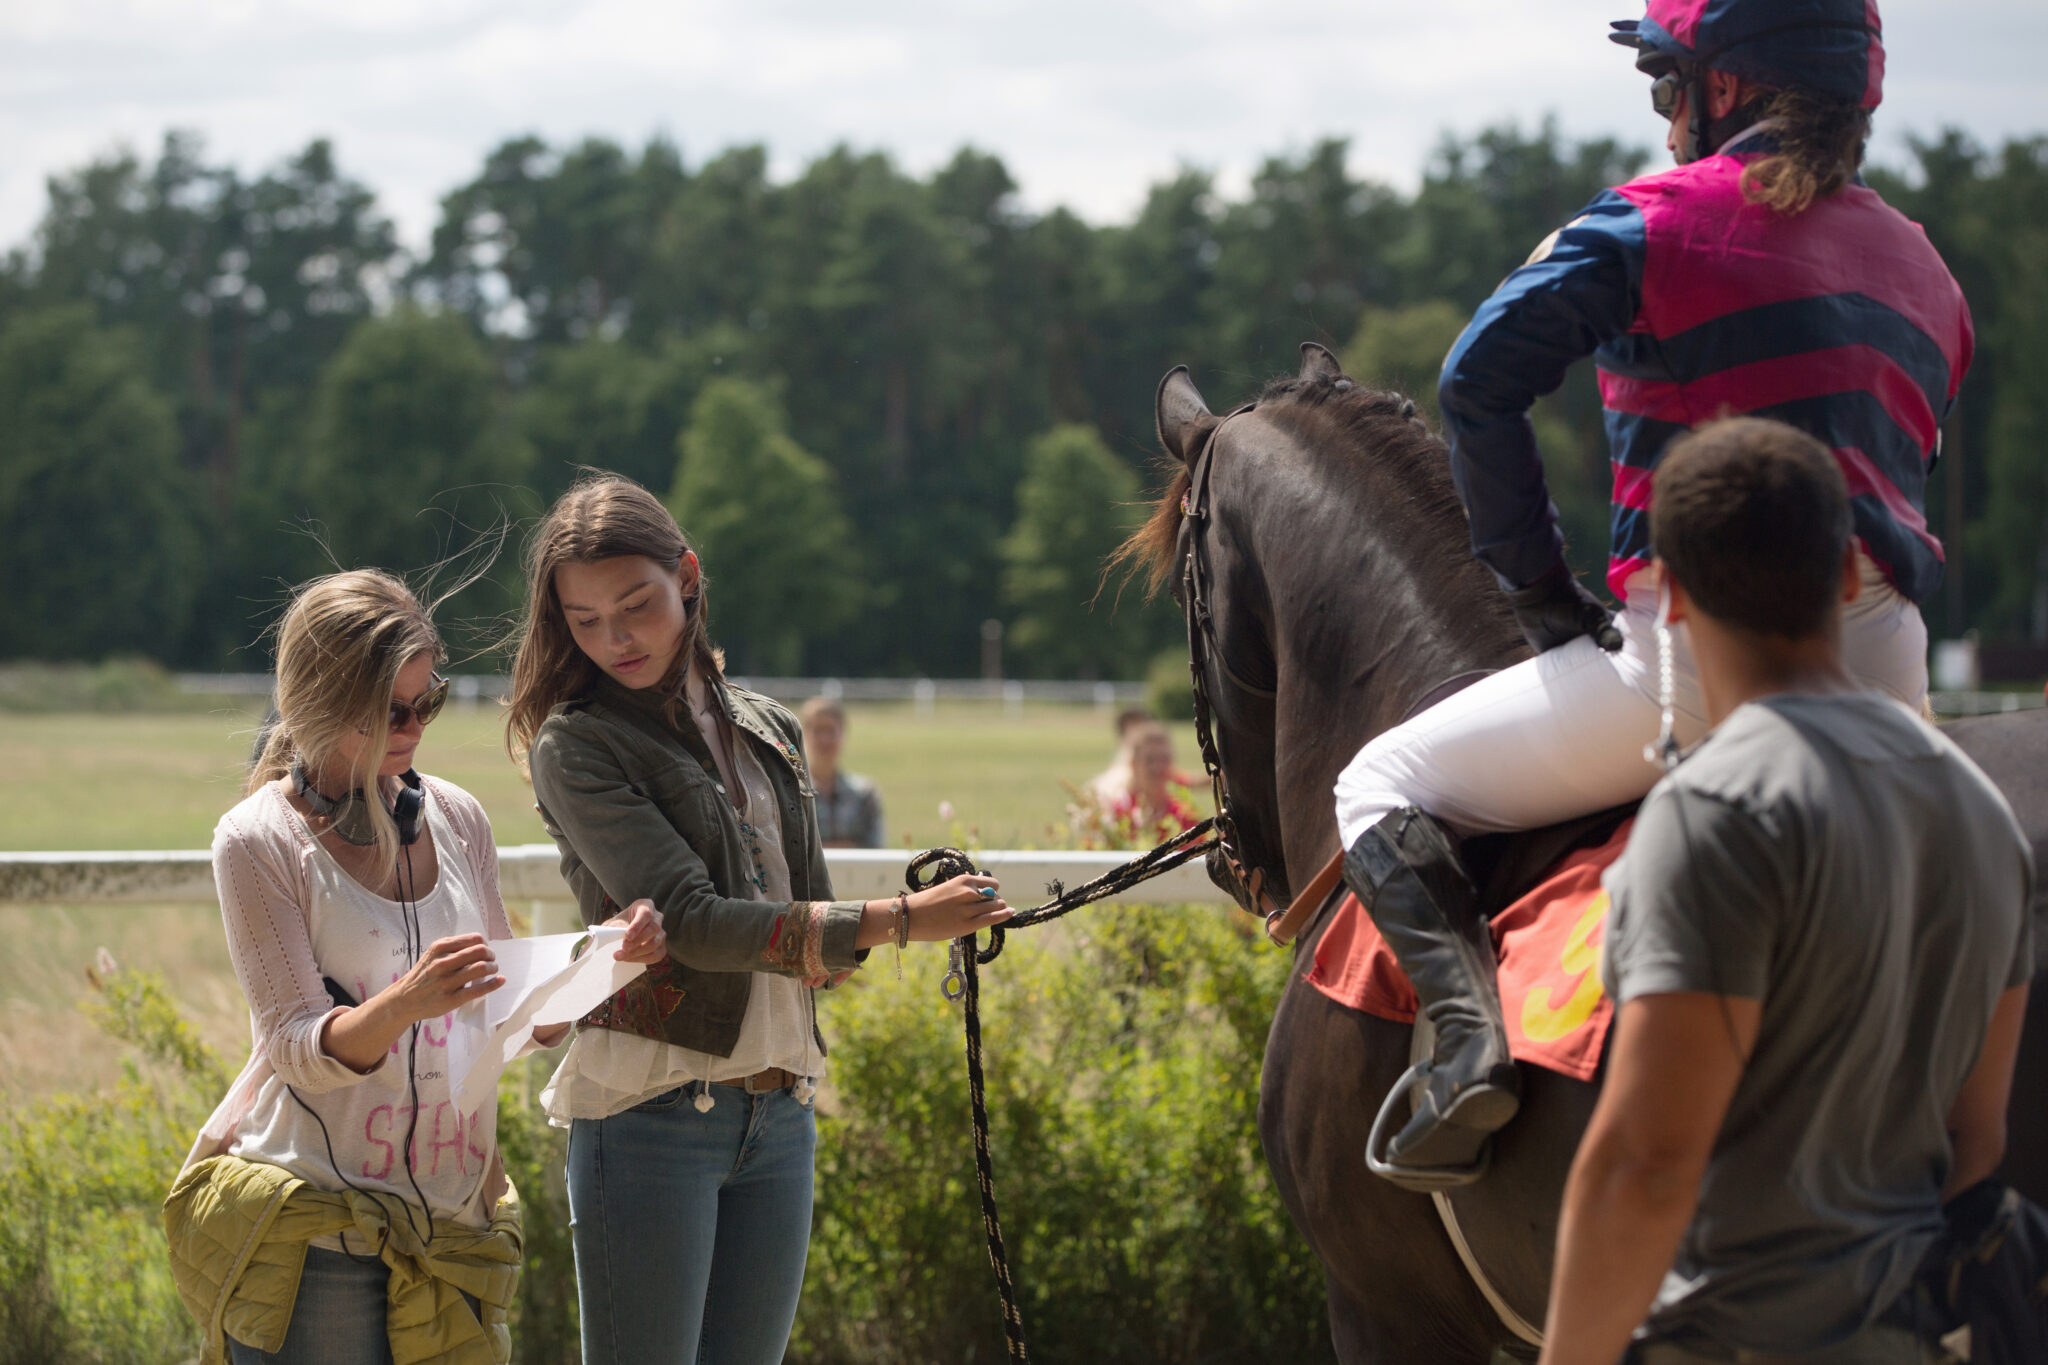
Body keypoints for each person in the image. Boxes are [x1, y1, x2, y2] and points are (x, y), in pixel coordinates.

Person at [1330, 0, 1974, 1180]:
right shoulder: (1924, 263)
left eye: (1663, 83)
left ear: (1722, 91)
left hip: (1693, 670)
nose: (1663, 114)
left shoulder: (1647, 220)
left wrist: (1537, 590)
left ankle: (1465, 1052)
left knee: (1378, 780)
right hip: (1890, 672)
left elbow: (1475, 382)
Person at [1539, 417, 2032, 1364]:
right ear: (1849, 571)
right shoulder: (1981, 811)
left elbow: (1647, 1164)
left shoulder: (1715, 813)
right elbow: (1978, 1139)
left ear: (1671, 594)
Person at [502, 473, 1012, 1365]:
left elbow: (805, 924)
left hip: (782, 1110)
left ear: (688, 578)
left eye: (636, 605)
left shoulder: (770, 726)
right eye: (584, 620)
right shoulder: (576, 742)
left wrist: (865, 939)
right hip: (649, 1113)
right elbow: (693, 920)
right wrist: (899, 919)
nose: (614, 638)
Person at [162, 569, 585, 1365]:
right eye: (393, 708)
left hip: (456, 1229)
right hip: (321, 1237)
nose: (416, 724)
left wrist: (596, 966)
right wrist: (406, 1001)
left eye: (430, 700)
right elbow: (293, 1047)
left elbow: (509, 1012)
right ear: (321, 698)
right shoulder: (256, 840)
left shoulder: (458, 816)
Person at [799, 696, 886, 847]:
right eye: (818, 730)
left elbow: (876, 853)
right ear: (803, 735)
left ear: (843, 734)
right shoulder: (793, 792)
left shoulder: (865, 793)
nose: (825, 739)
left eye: (830, 731)